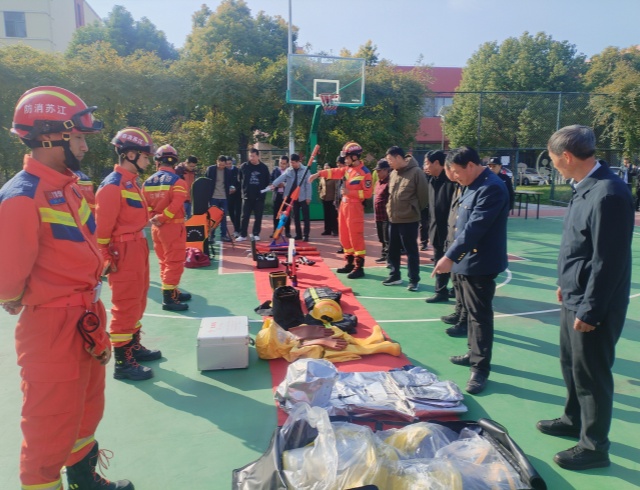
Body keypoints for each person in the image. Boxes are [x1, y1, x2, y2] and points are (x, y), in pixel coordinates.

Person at [0, 86, 134, 489]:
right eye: (77, 137)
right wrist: (22, 297)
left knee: (85, 409)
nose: (84, 146)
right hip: (52, 328)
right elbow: (8, 281)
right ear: (48, 137)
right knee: (48, 425)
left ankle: (82, 479)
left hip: (87, 318)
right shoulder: (21, 197)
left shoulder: (68, 187)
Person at [536, 125, 634, 471]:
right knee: (571, 364)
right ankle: (573, 419)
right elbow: (578, 246)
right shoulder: (584, 188)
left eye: (552, 159)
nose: (552, 165)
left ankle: (595, 447)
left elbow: (609, 261)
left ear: (566, 156)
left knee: (592, 373)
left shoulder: (609, 193)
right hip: (575, 293)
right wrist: (565, 283)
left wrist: (591, 310)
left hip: (596, 302)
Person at [432, 146, 509, 395]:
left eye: (456, 171)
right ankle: (472, 352)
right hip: (464, 261)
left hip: (480, 263)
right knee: (469, 312)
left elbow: (475, 227)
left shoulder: (491, 187)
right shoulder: (470, 184)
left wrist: (449, 257)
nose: (454, 176)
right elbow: (457, 223)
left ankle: (480, 368)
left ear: (471, 166)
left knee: (479, 316)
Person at [95, 127, 163, 382]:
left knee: (138, 299)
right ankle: (123, 363)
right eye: (145, 156)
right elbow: (102, 229)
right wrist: (105, 255)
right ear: (130, 155)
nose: (148, 161)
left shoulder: (130, 183)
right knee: (125, 303)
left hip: (137, 247)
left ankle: (133, 346)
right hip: (122, 251)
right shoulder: (112, 186)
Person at [309, 142, 372, 278]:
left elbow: (367, 193)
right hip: (344, 206)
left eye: (347, 157)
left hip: (355, 207)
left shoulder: (365, 173)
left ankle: (359, 267)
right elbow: (334, 172)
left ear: (355, 156)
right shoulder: (347, 169)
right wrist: (319, 174)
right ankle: (349, 263)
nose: (345, 160)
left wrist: (350, 192)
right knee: (344, 235)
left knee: (355, 236)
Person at [143, 144, 191, 312]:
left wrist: (155, 218)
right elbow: (176, 204)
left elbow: (146, 205)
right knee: (174, 262)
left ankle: (172, 290)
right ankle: (169, 299)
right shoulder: (179, 182)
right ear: (174, 162)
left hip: (156, 228)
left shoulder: (147, 182)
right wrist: (163, 218)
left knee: (164, 261)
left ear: (157, 162)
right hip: (173, 227)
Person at [383, 146, 429, 291]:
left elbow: (423, 197)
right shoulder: (393, 173)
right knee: (393, 250)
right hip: (393, 219)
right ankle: (395, 275)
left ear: (398, 157)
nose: (389, 163)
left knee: (411, 251)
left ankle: (414, 279)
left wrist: (412, 210)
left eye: (390, 159)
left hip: (409, 219)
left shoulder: (416, 172)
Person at [423, 150, 456, 303]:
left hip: (451, 231)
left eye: (427, 163)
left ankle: (456, 289)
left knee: (455, 261)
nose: (425, 167)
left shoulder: (452, 182)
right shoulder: (432, 181)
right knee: (439, 259)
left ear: (437, 163)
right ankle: (441, 291)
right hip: (436, 229)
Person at [269, 153, 312, 241]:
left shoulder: (305, 170)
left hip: (303, 197)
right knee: (296, 217)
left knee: (306, 217)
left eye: (293, 163)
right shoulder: (289, 170)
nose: (292, 164)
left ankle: (306, 235)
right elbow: (281, 177)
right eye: (291, 163)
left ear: (298, 162)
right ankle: (298, 234)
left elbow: (308, 184)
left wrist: (308, 197)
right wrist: (274, 184)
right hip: (294, 197)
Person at [236, 148, 270, 241]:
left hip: (259, 197)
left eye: (253, 156)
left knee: (258, 216)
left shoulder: (264, 168)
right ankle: (243, 235)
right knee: (244, 216)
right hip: (247, 196)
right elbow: (239, 179)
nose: (251, 158)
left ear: (258, 156)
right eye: (250, 156)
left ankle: (256, 233)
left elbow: (267, 181)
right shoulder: (244, 166)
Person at [204, 155, 234, 242]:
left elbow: (230, 183)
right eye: (219, 164)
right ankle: (211, 235)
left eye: (223, 165)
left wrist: (231, 188)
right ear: (216, 162)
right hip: (214, 196)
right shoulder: (211, 169)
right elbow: (206, 181)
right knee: (212, 217)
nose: (221, 166)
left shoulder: (228, 172)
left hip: (224, 196)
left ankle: (223, 235)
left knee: (223, 217)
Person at [373, 158, 391, 264]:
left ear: (386, 170)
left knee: (387, 238)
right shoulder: (378, 183)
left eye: (379, 170)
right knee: (381, 237)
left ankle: (389, 257)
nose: (377, 173)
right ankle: (384, 254)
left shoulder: (390, 182)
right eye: (377, 170)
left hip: (386, 215)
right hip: (378, 215)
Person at [318, 163, 339, 236]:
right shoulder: (322, 178)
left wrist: (336, 199)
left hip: (332, 199)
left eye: (327, 168)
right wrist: (320, 194)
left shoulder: (334, 177)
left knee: (333, 215)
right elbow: (320, 187)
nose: (326, 170)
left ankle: (335, 230)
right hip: (325, 198)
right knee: (326, 215)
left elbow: (336, 189)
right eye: (325, 168)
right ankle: (327, 230)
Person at [271, 155, 289, 237]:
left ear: (287, 164)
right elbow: (271, 180)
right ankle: (275, 231)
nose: (282, 165)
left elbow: (291, 182)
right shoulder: (275, 171)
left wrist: (284, 184)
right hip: (277, 195)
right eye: (281, 163)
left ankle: (287, 231)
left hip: (286, 196)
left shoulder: (290, 172)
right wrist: (275, 184)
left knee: (286, 214)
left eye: (284, 163)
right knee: (276, 214)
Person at [226, 157, 242, 237]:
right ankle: (236, 228)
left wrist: (236, 189)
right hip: (228, 195)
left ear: (232, 163)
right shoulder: (224, 171)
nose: (228, 165)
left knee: (237, 213)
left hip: (237, 195)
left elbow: (241, 182)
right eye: (227, 164)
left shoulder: (237, 170)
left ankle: (237, 230)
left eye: (230, 163)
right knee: (231, 212)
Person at [419, 159, 431, 251]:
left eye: (427, 165)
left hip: (432, 205)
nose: (426, 168)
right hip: (423, 205)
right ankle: (424, 242)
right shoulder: (421, 177)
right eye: (425, 165)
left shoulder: (434, 177)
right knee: (423, 225)